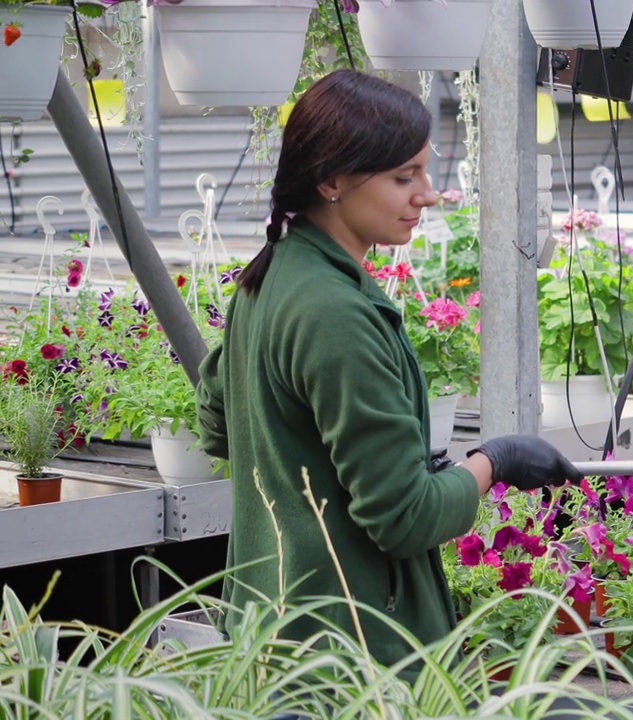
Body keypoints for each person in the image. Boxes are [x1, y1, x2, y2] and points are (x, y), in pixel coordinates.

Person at [195, 69, 581, 667]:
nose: (427, 193)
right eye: (404, 177)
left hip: (273, 633)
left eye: (424, 171)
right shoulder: (334, 312)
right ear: (331, 181)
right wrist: (494, 461)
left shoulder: (270, 275)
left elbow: (218, 422)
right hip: (354, 655)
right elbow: (406, 517)